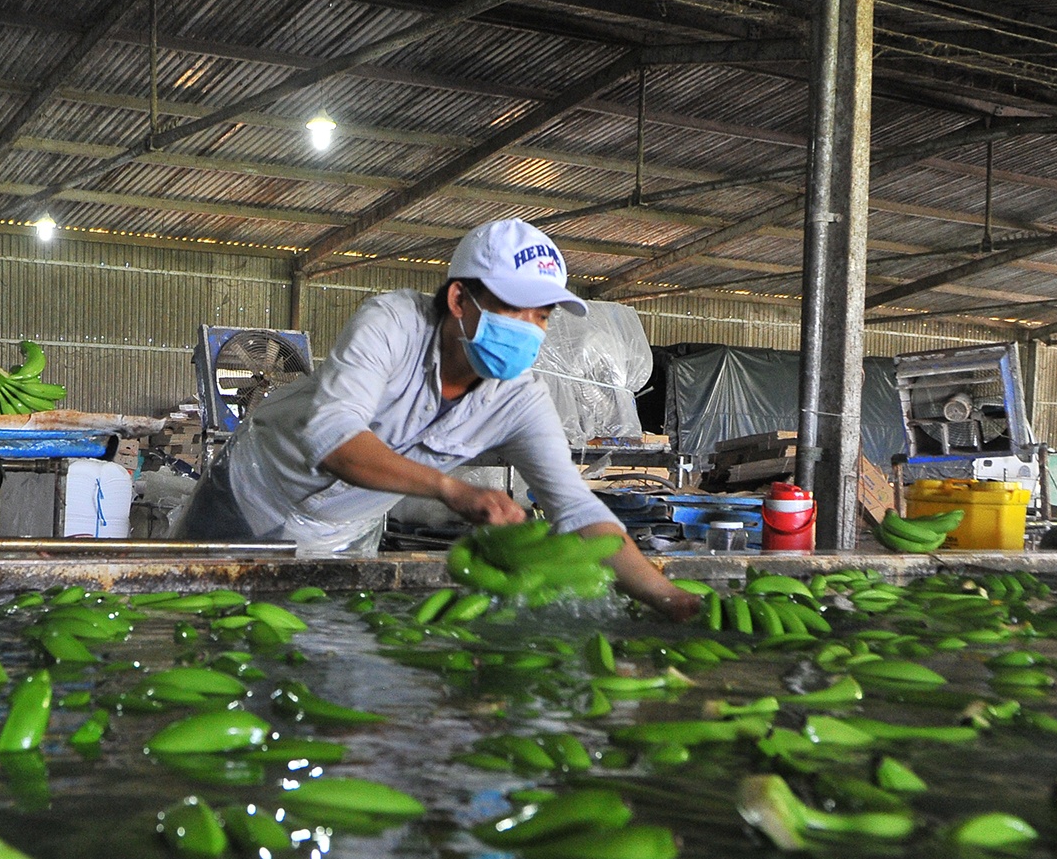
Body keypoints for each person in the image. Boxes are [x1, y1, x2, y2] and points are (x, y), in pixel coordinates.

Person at [176, 218, 699, 620]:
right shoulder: (392, 325)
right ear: (459, 300)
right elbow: (336, 440)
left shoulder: (521, 400)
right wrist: (453, 491)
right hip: (250, 495)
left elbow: (578, 509)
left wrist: (667, 596)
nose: (533, 329)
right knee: (198, 622)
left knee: (317, 649)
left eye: (543, 316)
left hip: (344, 530)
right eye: (517, 309)